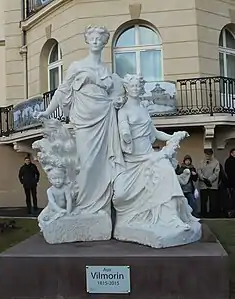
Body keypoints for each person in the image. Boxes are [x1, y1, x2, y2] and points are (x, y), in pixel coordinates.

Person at [37, 25, 124, 216]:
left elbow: (115, 93)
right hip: (84, 119)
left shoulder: (105, 69)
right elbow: (62, 90)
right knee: (86, 164)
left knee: (102, 165)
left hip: (104, 116)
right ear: (87, 40)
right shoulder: (77, 66)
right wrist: (48, 111)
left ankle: (100, 206)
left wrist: (117, 101)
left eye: (99, 39)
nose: (95, 41)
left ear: (104, 43)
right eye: (92, 38)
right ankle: (84, 206)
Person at [113, 74, 200, 246]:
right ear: (127, 88)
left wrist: (173, 136)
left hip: (149, 156)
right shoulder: (123, 111)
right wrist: (125, 135)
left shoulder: (144, 110)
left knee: (166, 170)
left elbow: (155, 133)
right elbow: (123, 129)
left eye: (138, 85)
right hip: (133, 160)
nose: (136, 88)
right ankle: (160, 218)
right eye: (132, 86)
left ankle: (172, 218)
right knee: (123, 194)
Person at [198, 149, 220, 218]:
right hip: (203, 185)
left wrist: (209, 180)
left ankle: (212, 215)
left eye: (209, 154)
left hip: (212, 185)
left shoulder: (216, 162)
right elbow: (199, 170)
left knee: (213, 201)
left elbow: (216, 173)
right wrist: (203, 179)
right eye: (206, 154)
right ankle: (203, 214)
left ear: (211, 154)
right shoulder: (201, 162)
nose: (207, 156)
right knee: (203, 201)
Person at [225, 149, 235, 215]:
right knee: (232, 199)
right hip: (231, 183)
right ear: (231, 153)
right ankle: (231, 212)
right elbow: (229, 172)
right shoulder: (229, 161)